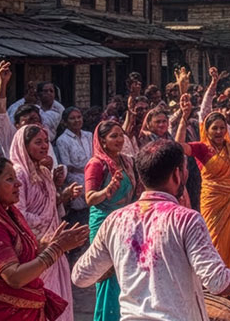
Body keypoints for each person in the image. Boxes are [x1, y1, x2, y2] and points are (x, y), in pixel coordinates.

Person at [72, 140, 230, 320]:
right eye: (185, 168)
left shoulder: (115, 220)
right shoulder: (186, 219)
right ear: (177, 174)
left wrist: (121, 258)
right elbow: (218, 282)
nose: (187, 173)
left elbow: (80, 276)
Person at [0, 157, 88, 320]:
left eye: (16, 178)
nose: (18, 184)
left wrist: (46, 245)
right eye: (9, 179)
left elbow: (19, 256)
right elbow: (14, 277)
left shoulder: (9, 216)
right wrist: (57, 249)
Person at [175, 87, 230, 278]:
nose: (219, 131)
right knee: (213, 237)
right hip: (212, 200)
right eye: (215, 128)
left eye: (222, 128)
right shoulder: (202, 148)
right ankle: (214, 279)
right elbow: (177, 146)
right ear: (207, 130)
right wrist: (184, 117)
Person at [9, 125, 82, 321]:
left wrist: (64, 195)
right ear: (24, 146)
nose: (44, 146)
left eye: (46, 142)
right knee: (41, 297)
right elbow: (18, 213)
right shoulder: (19, 174)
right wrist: (44, 224)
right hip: (36, 248)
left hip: (54, 244)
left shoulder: (43, 171)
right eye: (38, 142)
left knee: (58, 295)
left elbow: (50, 205)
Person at [83, 121, 140, 321]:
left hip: (126, 223)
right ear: (103, 141)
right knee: (108, 277)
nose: (119, 140)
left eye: (121, 135)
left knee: (125, 275)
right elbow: (89, 198)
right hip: (104, 224)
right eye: (113, 136)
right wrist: (106, 191)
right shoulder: (96, 164)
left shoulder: (127, 161)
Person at [55, 107, 92, 227]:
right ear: (65, 122)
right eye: (72, 118)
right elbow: (67, 166)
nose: (77, 120)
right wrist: (86, 170)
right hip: (76, 183)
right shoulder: (62, 140)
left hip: (93, 180)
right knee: (80, 220)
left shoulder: (88, 136)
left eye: (79, 117)